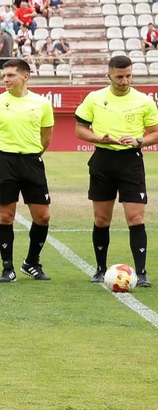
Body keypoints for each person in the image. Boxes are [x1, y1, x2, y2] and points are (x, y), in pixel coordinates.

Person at [74, 55, 158, 286]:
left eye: (128, 75)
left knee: (135, 217)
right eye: (119, 76)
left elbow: (155, 132)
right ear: (109, 75)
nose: (124, 80)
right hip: (102, 160)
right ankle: (100, 270)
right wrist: (98, 137)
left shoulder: (144, 101)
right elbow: (80, 129)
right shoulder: (95, 98)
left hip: (131, 162)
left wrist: (139, 141)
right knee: (102, 218)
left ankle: (140, 273)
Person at [0, 59, 56, 282]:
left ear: (25, 77)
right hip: (5, 162)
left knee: (42, 216)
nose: (6, 79)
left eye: (11, 75)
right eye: (4, 75)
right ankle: (8, 268)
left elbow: (46, 138)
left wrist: (31, 156)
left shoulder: (42, 103)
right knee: (6, 216)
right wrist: (0, 162)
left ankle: (31, 262)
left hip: (32, 161)